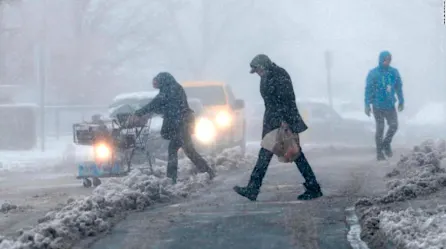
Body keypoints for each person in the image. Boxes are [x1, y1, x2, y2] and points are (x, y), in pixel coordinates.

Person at [233, 54, 323, 201]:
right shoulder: (268, 76)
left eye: (258, 70)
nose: (258, 74)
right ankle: (253, 188)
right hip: (273, 121)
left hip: (281, 121)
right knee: (272, 154)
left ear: (264, 66)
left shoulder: (279, 75)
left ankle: (254, 188)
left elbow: (285, 100)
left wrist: (284, 121)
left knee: (293, 154)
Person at [132, 72, 215, 184]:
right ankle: (207, 172)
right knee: (188, 151)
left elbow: (157, 103)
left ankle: (172, 178)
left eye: (156, 83)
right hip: (182, 124)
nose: (155, 86)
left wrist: (139, 113)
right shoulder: (173, 88)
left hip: (180, 125)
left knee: (176, 150)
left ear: (161, 81)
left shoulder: (169, 90)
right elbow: (164, 105)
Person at [364, 51, 404, 161]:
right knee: (380, 128)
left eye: (389, 60)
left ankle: (386, 143)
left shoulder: (393, 72)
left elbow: (398, 87)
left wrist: (401, 100)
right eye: (385, 59)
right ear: (381, 59)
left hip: (390, 105)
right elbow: (368, 90)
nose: (387, 62)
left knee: (394, 125)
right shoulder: (373, 73)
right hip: (377, 105)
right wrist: (367, 104)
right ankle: (379, 153)